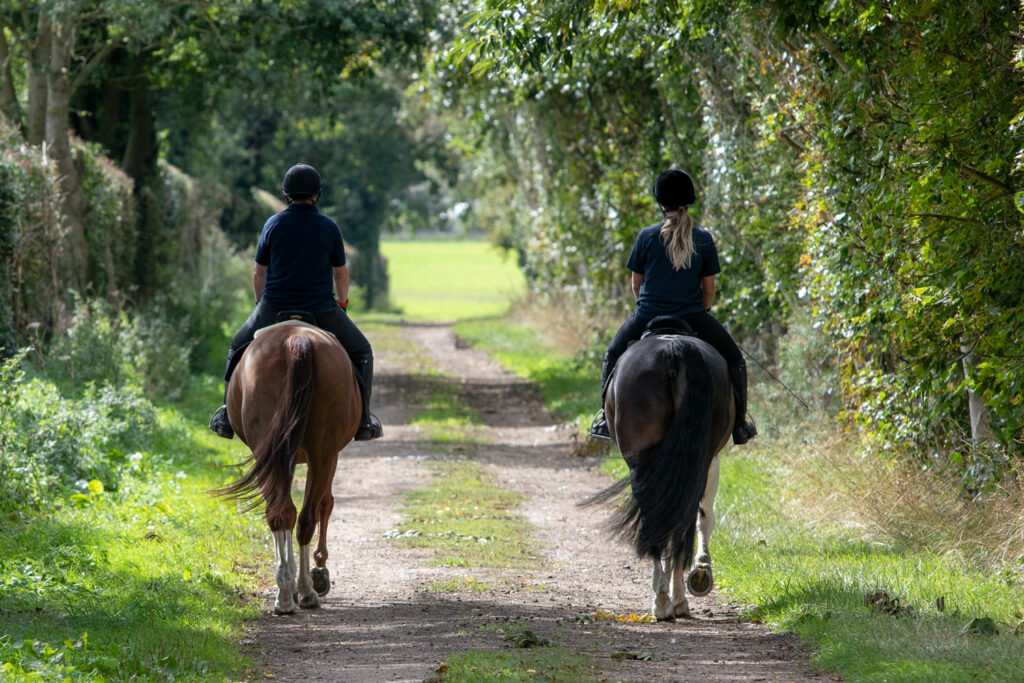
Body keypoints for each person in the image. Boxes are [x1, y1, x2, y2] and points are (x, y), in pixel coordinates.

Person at [209, 163, 383, 441]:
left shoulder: (273, 224)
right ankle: (364, 421)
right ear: (318, 194)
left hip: (274, 305)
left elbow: (259, 271)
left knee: (236, 345)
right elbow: (340, 272)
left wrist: (260, 303)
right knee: (362, 350)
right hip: (321, 308)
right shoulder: (328, 226)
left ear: (285, 193)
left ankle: (227, 417)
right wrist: (342, 303)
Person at [589, 169, 756, 445]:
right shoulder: (703, 238)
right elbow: (709, 289)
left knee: (612, 353)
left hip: (647, 314)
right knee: (735, 359)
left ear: (660, 202)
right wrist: (700, 313)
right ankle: (739, 424)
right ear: (688, 201)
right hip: (692, 314)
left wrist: (646, 306)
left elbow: (636, 285)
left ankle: (606, 421)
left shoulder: (646, 236)